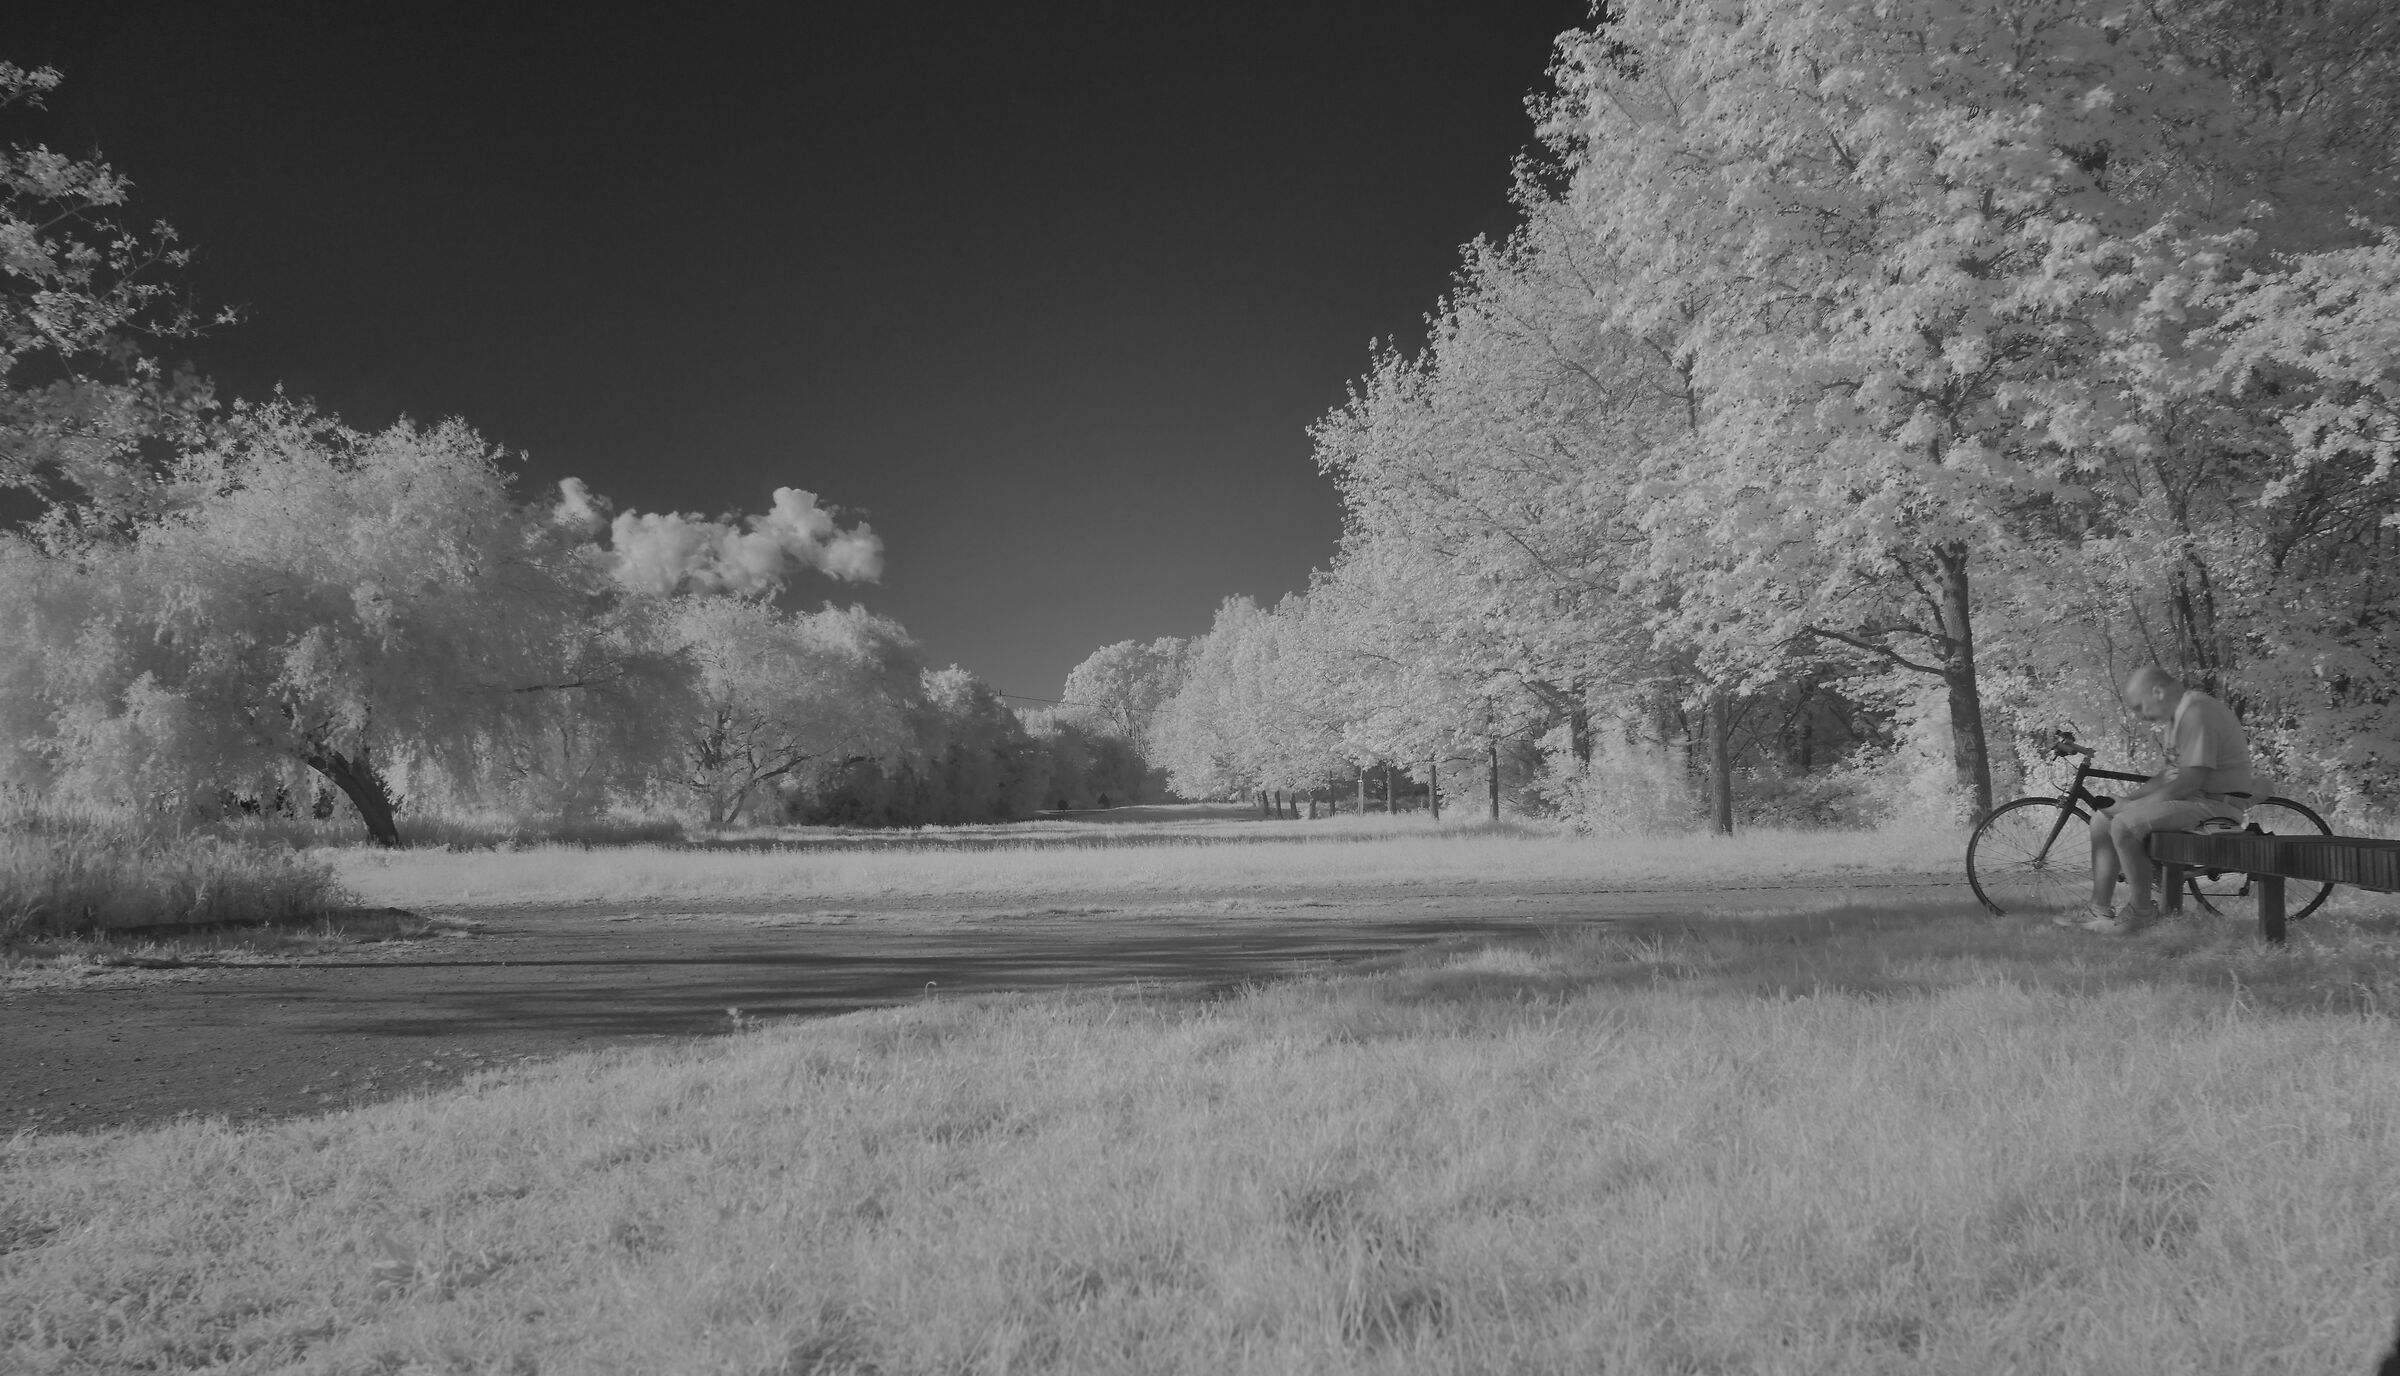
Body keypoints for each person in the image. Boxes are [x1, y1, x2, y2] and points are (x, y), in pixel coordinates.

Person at [2067, 666, 2256, 934]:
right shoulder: (2177, 719)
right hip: (2193, 801)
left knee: (2125, 824)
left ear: (2157, 691)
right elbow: (2168, 776)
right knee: (2102, 820)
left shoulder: (2197, 713)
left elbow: (2191, 780)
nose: (2140, 716)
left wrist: (2132, 808)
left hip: (2217, 806)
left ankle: (2142, 913)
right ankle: (2098, 910)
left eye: (2140, 707)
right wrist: (2125, 799)